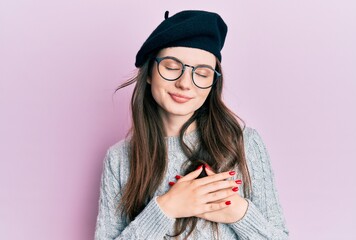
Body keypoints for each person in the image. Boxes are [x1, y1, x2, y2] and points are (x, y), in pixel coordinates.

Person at [94, 10, 289, 240]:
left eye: (202, 73)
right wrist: (166, 208)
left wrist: (239, 213)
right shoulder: (119, 158)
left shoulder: (243, 142)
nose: (185, 83)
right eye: (171, 67)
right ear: (149, 73)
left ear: (212, 84)